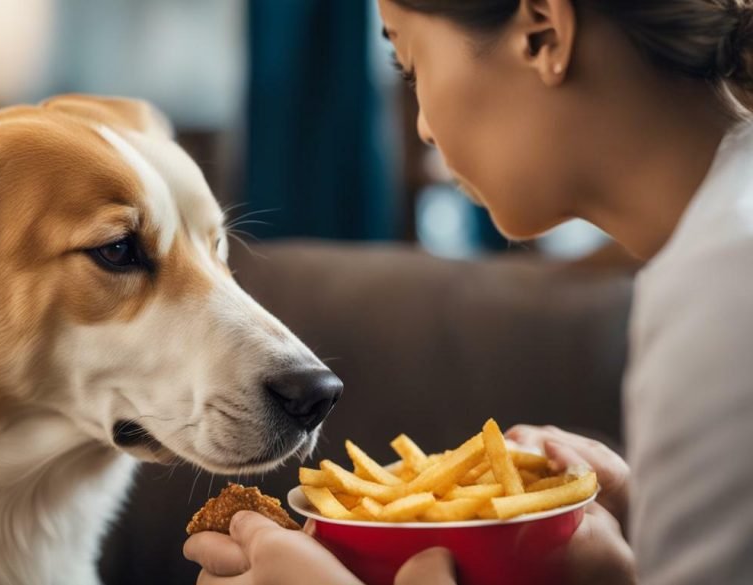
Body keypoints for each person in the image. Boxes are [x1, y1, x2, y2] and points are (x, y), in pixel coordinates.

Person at [183, 0, 753, 583]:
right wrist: (640, 525)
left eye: (410, 63)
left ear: (542, 34)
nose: (423, 125)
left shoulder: (723, 284)